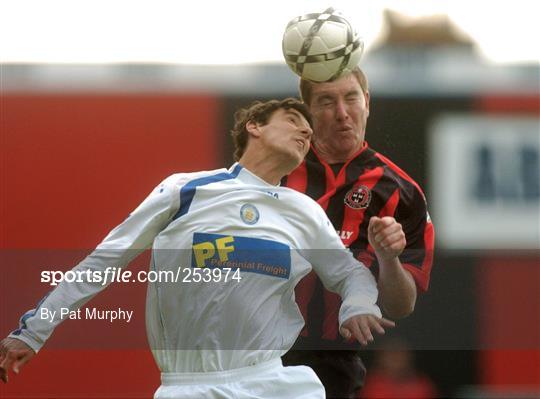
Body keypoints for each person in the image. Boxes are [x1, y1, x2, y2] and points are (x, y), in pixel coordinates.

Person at [0, 98, 395, 398]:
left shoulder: (303, 211)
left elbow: (349, 273)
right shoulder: (186, 189)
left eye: (309, 134)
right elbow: (106, 259)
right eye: (294, 122)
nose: (305, 134)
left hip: (273, 381)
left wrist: (359, 305)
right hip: (189, 385)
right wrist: (35, 330)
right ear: (254, 127)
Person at [282, 67, 435, 398]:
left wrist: (389, 259)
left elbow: (401, 305)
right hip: (258, 356)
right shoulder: (275, 175)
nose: (342, 113)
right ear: (306, 110)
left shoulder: (402, 192)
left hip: (331, 366)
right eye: (326, 101)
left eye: (351, 98)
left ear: (366, 102)